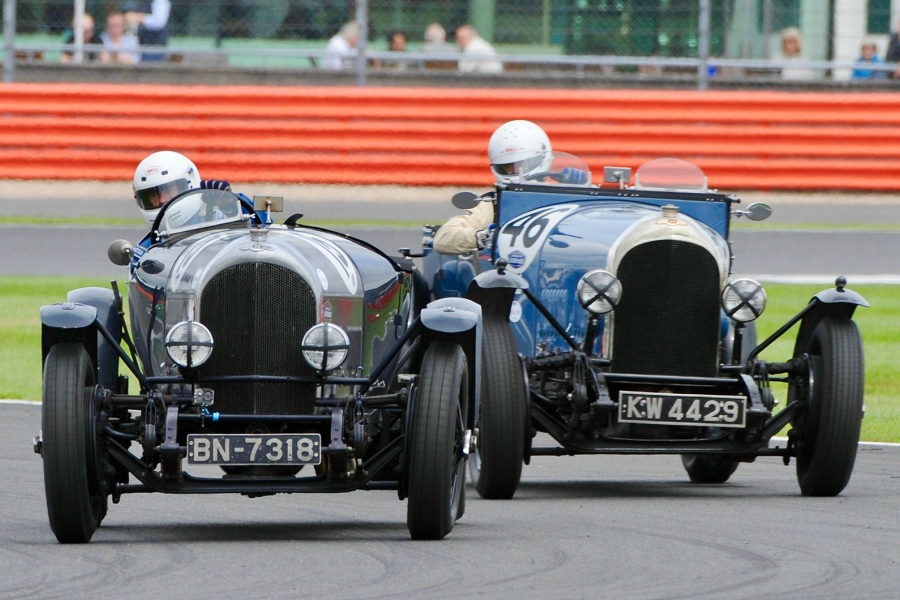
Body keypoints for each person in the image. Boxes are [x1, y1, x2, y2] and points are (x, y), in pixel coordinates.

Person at [433, 120, 552, 255]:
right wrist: (486, 236)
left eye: (523, 164)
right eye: (508, 167)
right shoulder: (493, 204)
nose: (516, 171)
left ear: (542, 158)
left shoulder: (564, 199)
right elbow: (444, 237)